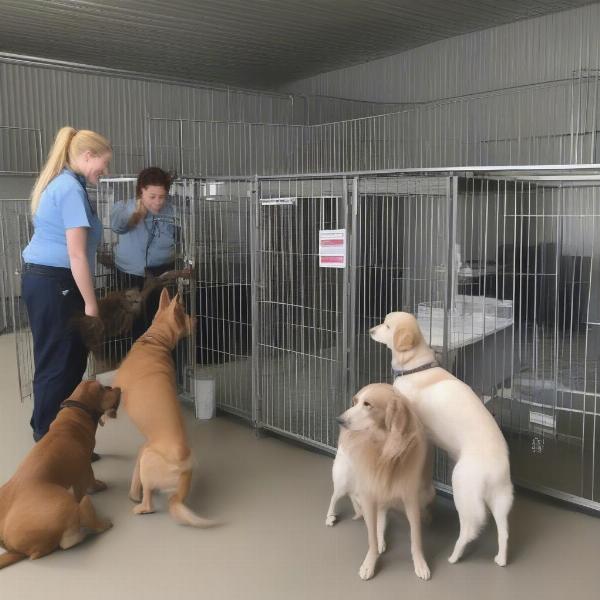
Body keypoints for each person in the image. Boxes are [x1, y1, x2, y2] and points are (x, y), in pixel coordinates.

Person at [21, 127, 111, 445]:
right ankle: (47, 441)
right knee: (58, 362)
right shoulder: (70, 189)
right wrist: (90, 303)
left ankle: (66, 437)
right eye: (104, 162)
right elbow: (76, 254)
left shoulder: (69, 184)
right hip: (54, 283)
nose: (105, 170)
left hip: (52, 281)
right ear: (87, 156)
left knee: (71, 359)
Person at [110, 167, 176, 339]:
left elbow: (179, 236)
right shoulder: (124, 207)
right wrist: (136, 214)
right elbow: (118, 226)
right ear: (141, 192)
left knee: (160, 319)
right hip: (130, 273)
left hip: (161, 272)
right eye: (152, 197)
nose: (157, 202)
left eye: (162, 197)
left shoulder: (173, 211)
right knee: (132, 320)